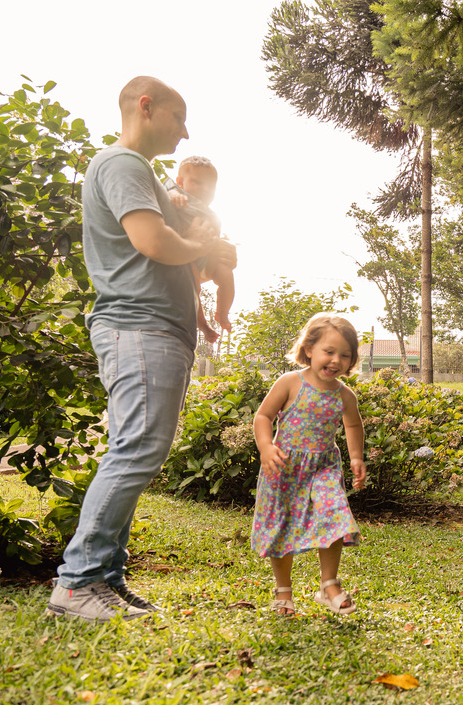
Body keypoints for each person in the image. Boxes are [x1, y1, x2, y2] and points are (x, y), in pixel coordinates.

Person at [47, 76, 236, 623]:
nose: (185, 132)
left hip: (155, 326)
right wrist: (201, 243)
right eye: (179, 117)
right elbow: (153, 243)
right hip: (139, 326)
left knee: (136, 449)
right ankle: (77, 584)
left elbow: (173, 258)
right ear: (146, 107)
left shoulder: (144, 175)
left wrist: (210, 260)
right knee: (137, 451)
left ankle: (106, 579)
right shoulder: (123, 163)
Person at [252, 314, 367, 616]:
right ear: (309, 349)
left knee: (335, 517)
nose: (336, 360)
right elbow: (263, 416)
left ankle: (329, 585)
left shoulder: (344, 395)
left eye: (345, 355)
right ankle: (283, 591)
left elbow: (353, 425)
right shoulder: (290, 383)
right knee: (280, 526)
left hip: (323, 467)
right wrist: (266, 446)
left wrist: (356, 457)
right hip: (284, 467)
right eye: (329, 351)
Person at [164, 155, 235, 340]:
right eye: (197, 182)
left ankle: (222, 313)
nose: (205, 189)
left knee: (226, 274)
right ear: (181, 182)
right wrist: (173, 194)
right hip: (187, 256)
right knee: (192, 283)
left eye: (210, 186)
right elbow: (166, 189)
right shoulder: (176, 192)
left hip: (206, 256)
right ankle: (202, 324)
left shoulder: (208, 210)